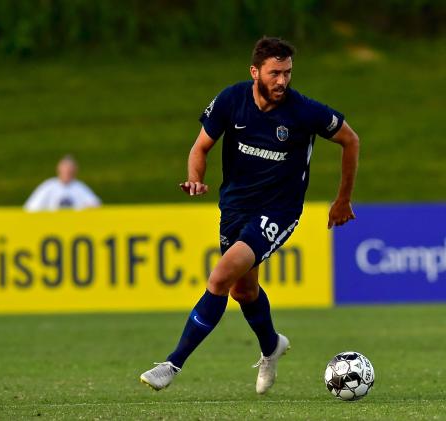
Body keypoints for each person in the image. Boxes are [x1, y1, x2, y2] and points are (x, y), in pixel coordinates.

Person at [139, 37, 359, 394]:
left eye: (287, 73)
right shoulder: (231, 100)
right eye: (275, 73)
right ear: (255, 72)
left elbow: (351, 140)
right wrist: (195, 178)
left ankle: (172, 363)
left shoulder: (303, 111)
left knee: (220, 277)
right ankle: (272, 346)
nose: (282, 81)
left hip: (279, 209)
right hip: (235, 207)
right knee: (244, 290)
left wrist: (342, 199)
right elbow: (200, 147)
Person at [23, 155, 101, 211]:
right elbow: (31, 207)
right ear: (59, 169)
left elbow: (96, 205)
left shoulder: (80, 187)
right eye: (65, 168)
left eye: (70, 169)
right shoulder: (49, 186)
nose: (67, 171)